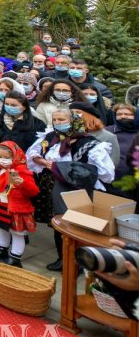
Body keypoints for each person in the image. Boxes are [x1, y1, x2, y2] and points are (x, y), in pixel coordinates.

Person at [27, 107, 115, 272]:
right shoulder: (50, 137)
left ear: (73, 121)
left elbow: (105, 173)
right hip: (50, 185)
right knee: (57, 223)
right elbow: (33, 154)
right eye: (55, 120)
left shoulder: (88, 143)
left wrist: (62, 167)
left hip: (75, 189)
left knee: (75, 225)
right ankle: (63, 258)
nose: (57, 123)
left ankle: (78, 261)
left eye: (62, 120)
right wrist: (44, 162)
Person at [0, 141, 39, 267]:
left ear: (14, 157)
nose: (2, 160)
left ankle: (15, 256)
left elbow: (33, 191)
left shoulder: (21, 171)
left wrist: (22, 183)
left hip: (15, 208)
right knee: (1, 228)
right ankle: (2, 249)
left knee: (17, 233)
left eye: (6, 158)